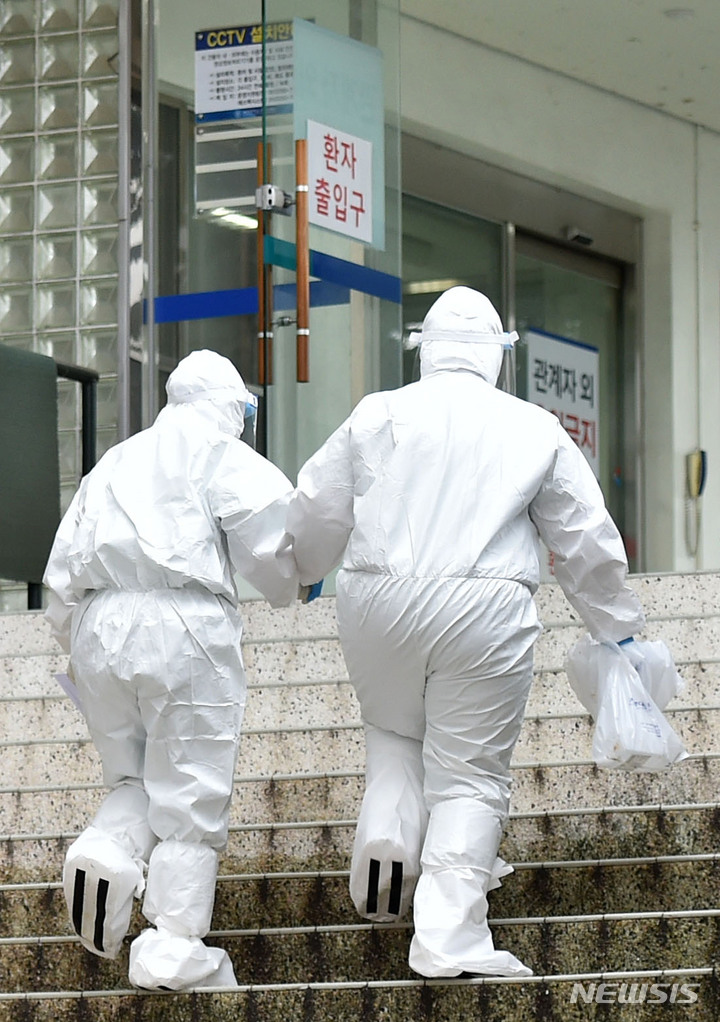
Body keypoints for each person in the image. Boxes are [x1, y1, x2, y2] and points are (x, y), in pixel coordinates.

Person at [283, 286, 650, 978]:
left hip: (377, 599)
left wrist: (300, 571)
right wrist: (618, 630)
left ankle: (388, 839)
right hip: (483, 607)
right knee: (468, 777)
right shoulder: (532, 425)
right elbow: (583, 540)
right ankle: (448, 937)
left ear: (428, 351)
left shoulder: (378, 413)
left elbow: (316, 505)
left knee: (394, 734)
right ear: (494, 355)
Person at [43, 350, 298, 990]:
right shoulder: (217, 450)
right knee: (189, 792)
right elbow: (275, 543)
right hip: (185, 624)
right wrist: (292, 583)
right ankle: (173, 948)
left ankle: (104, 850)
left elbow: (61, 570)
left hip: (100, 625)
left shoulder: (118, 459)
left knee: (133, 778)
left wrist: (77, 644)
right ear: (229, 405)